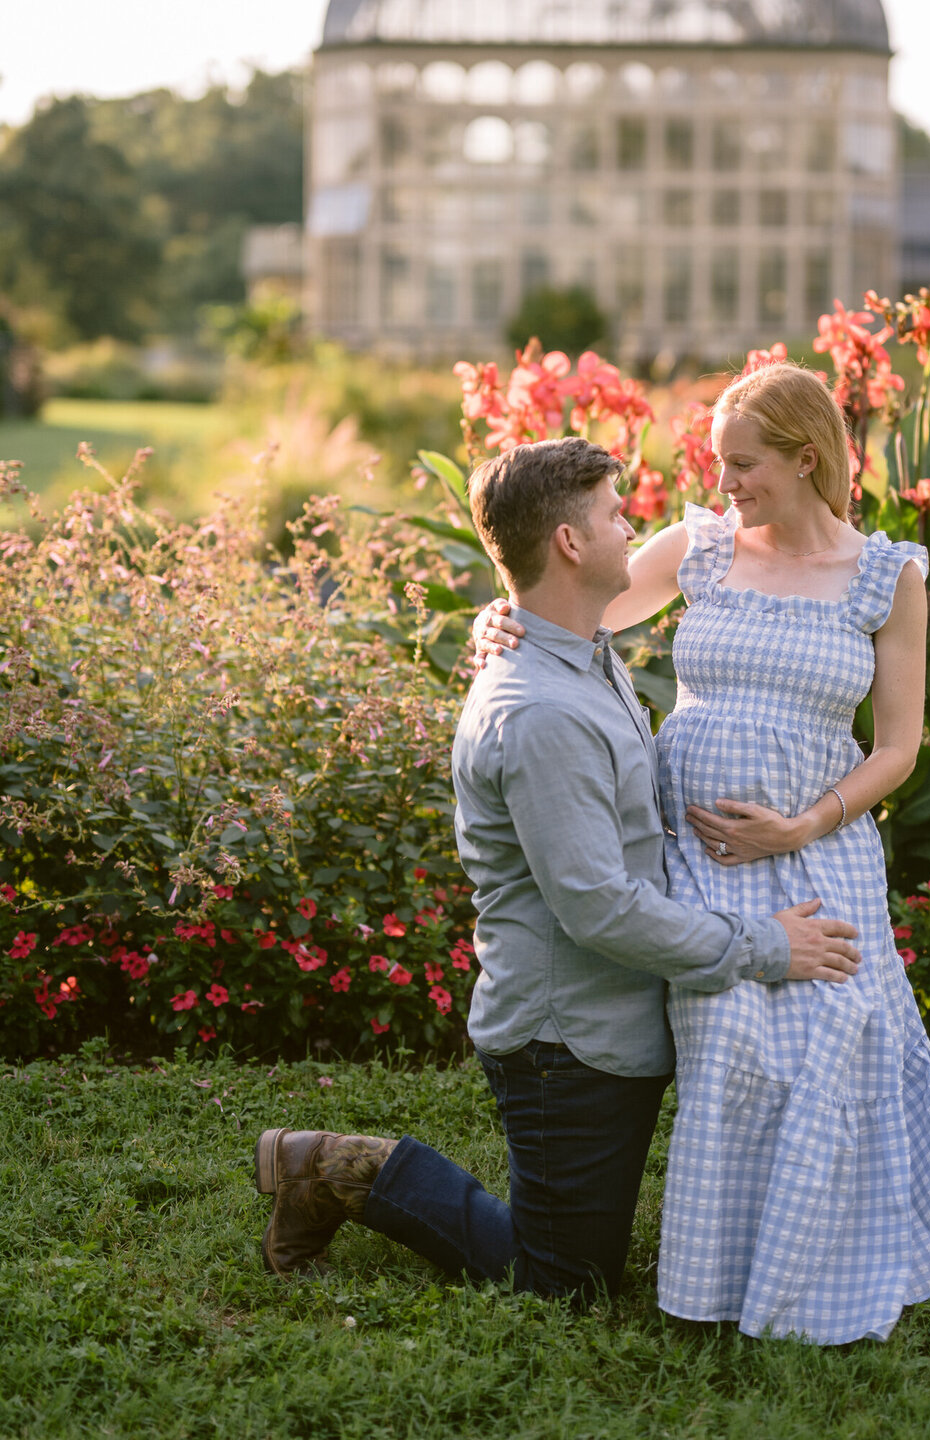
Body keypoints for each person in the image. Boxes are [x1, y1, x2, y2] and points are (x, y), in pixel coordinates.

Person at [254, 436, 863, 1297]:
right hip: (565, 1038)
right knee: (562, 1284)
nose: (632, 526)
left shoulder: (582, 655)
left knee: (576, 1255)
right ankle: (332, 1166)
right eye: (616, 513)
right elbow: (598, 909)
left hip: (608, 1010)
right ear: (571, 543)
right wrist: (767, 945)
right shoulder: (541, 709)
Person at [476, 361, 930, 1342]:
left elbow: (896, 748)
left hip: (822, 842)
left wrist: (805, 824)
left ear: (808, 459)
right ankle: (724, 1288)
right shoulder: (703, 550)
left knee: (841, 1037)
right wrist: (493, 614)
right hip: (698, 847)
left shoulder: (890, 575)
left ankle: (825, 1269)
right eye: (718, 464)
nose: (723, 486)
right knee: (735, 1046)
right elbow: (566, 602)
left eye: (743, 465)